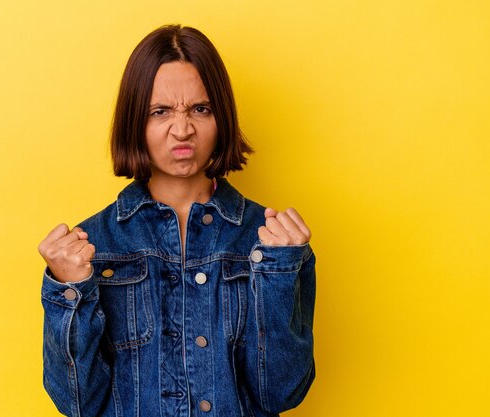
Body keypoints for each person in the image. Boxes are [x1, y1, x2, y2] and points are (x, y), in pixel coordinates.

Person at [38, 24, 316, 417]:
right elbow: (77, 403)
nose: (182, 130)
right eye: (160, 111)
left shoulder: (270, 243)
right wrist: (70, 292)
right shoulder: (92, 247)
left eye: (200, 109)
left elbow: (281, 394)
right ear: (135, 121)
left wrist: (279, 273)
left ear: (222, 117)